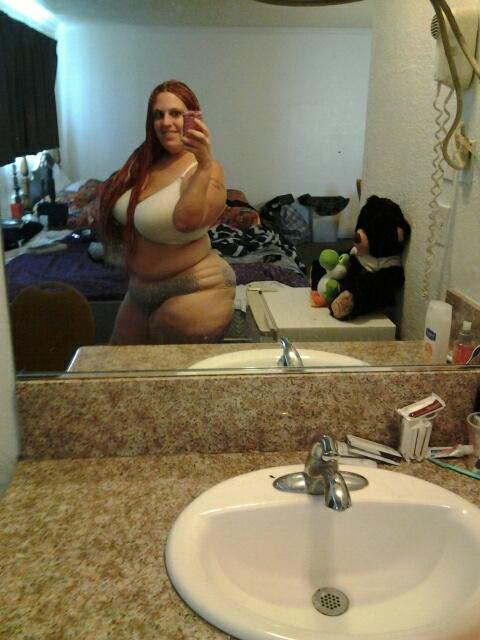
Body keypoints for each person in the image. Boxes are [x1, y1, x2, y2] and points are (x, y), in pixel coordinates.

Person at [98, 79, 235, 344]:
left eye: (176, 113)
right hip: (139, 290)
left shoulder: (208, 169)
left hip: (197, 286)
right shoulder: (142, 164)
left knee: (169, 364)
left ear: (193, 117)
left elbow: (187, 221)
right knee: (117, 359)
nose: (166, 122)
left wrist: (204, 165)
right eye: (158, 115)